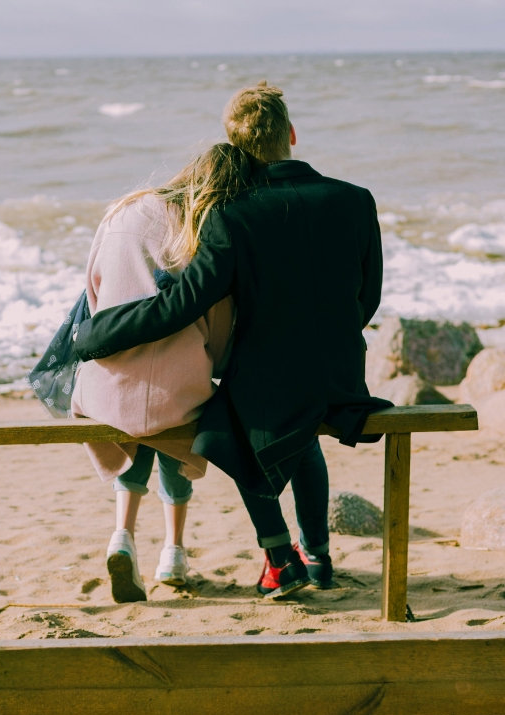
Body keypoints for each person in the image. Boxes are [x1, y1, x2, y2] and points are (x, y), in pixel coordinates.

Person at [74, 81, 392, 599]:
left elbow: (181, 305)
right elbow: (368, 297)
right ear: (291, 133)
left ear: (234, 143)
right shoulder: (355, 200)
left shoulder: (231, 214)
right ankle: (318, 555)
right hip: (342, 376)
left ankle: (278, 558)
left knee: (225, 428)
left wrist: (96, 334)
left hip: (268, 385)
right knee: (304, 431)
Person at [71, 143, 249, 603]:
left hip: (107, 387)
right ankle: (173, 549)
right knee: (176, 418)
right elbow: (217, 324)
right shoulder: (201, 231)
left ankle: (122, 536)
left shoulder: (122, 210)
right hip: (175, 392)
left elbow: (92, 289)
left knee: (133, 421)